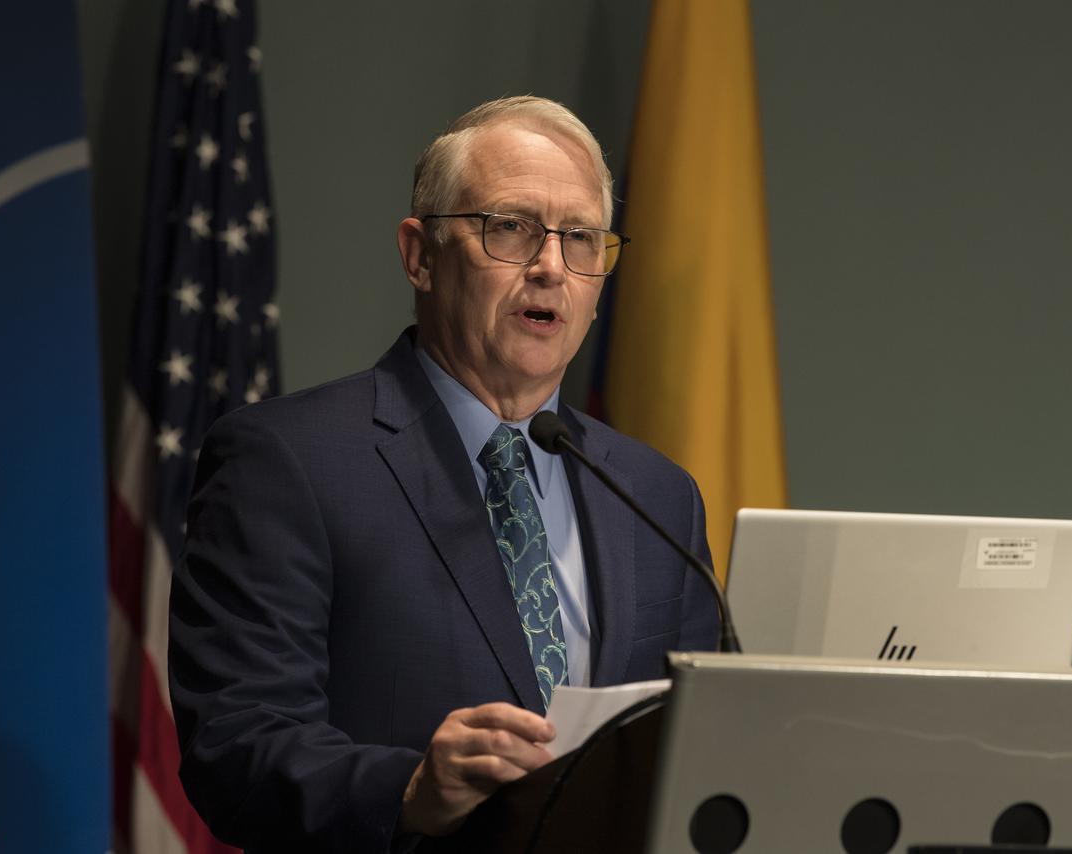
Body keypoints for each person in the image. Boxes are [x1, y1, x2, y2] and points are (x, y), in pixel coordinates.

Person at [169, 96, 719, 853]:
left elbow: (702, 755)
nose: (551, 267)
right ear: (419, 255)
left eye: (582, 238)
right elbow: (236, 746)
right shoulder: (286, 463)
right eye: (511, 228)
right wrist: (411, 791)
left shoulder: (659, 497)